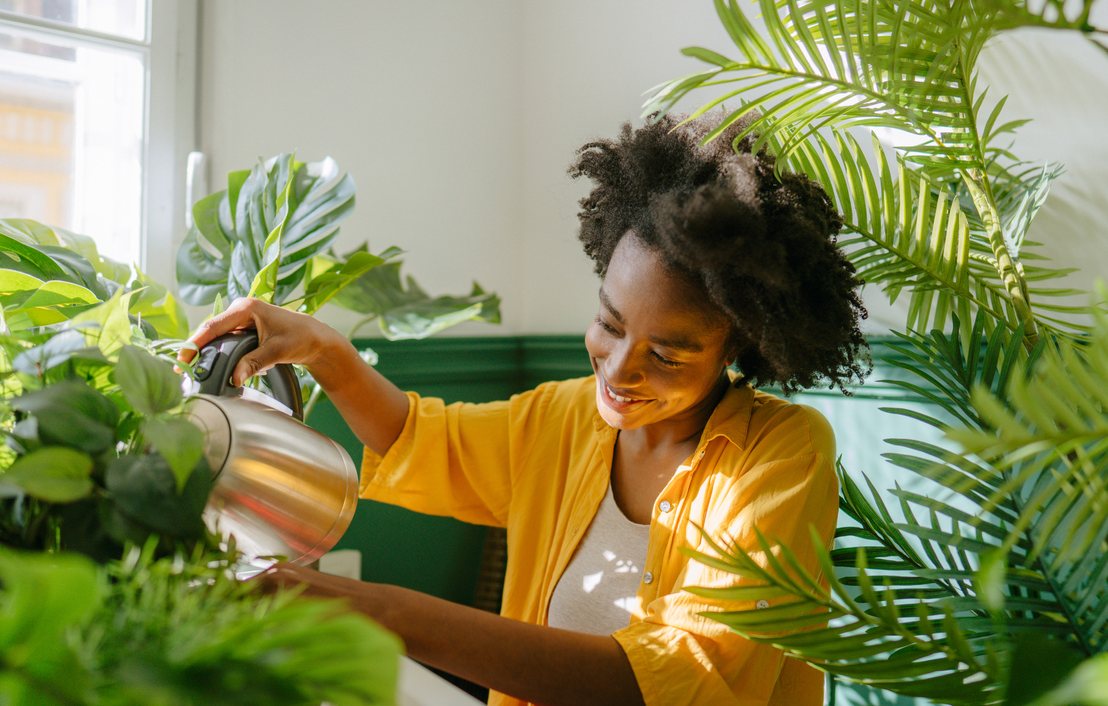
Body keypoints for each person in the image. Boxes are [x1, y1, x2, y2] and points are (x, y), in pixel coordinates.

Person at [183, 112, 869, 706]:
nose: (620, 369)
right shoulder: (567, 419)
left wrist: (373, 608)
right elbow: (422, 440)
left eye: (666, 355)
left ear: (740, 345)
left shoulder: (781, 456)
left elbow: (664, 683)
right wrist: (326, 351)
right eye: (608, 323)